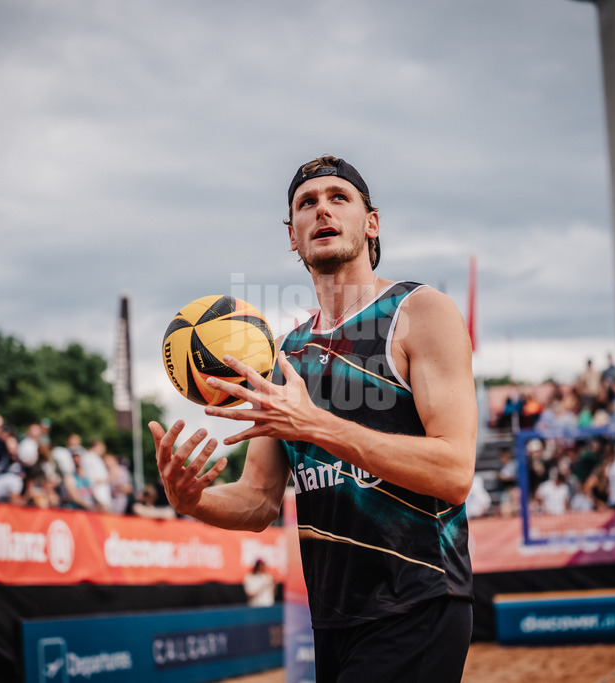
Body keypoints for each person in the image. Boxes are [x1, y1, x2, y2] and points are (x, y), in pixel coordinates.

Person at [149, 155, 476, 683]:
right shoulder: (283, 353)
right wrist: (193, 501)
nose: (322, 209)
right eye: (307, 202)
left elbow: (455, 471)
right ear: (291, 235)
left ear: (371, 223)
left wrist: (315, 425)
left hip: (419, 597)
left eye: (338, 197)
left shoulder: (419, 312)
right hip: (333, 615)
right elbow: (258, 500)